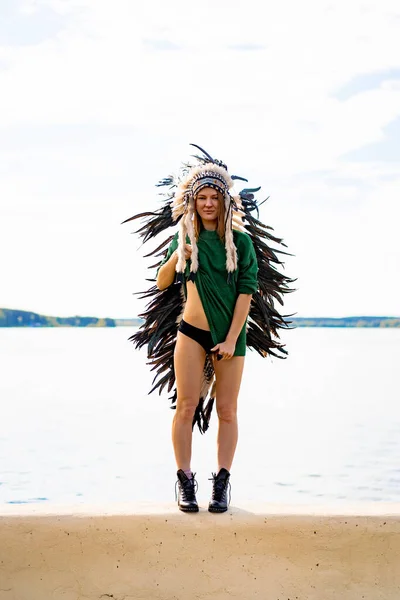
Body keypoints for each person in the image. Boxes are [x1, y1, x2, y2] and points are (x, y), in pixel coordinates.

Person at [122, 144, 293, 513]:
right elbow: (163, 282)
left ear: (225, 200)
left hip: (230, 335)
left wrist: (232, 338)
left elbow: (247, 290)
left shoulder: (241, 242)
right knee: (185, 406)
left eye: (215, 196)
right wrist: (177, 258)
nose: (209, 203)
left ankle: (221, 483)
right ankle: (185, 481)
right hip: (191, 332)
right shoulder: (185, 238)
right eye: (202, 197)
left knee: (227, 410)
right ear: (193, 201)